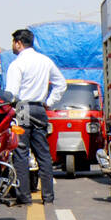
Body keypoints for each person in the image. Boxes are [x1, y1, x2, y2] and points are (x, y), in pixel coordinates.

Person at [4, 28, 66, 204]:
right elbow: (60, 84)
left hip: (23, 107)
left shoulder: (17, 64)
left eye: (13, 43)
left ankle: (24, 196)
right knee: (43, 154)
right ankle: (48, 196)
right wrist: (49, 102)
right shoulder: (45, 61)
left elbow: (12, 93)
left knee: (21, 151)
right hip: (40, 109)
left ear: (18, 43)